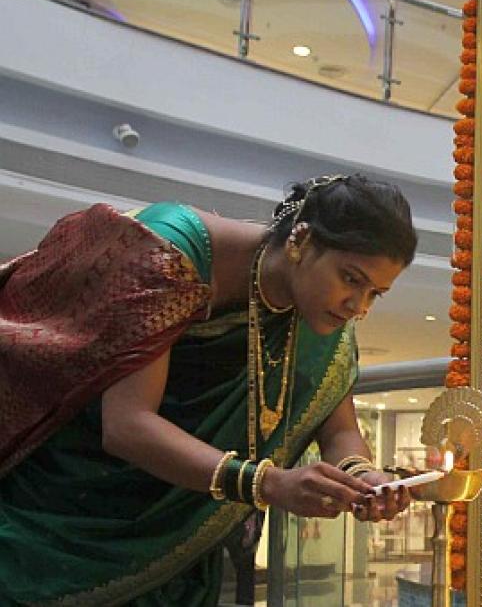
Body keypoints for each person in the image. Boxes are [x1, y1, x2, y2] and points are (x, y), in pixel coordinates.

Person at [0, 173, 418, 605]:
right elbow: (126, 425)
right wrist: (267, 483)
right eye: (351, 279)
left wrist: (362, 478)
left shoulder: (319, 313)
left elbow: (340, 430)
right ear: (302, 240)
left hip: (180, 535)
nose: (359, 306)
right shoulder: (169, 252)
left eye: (376, 294)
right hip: (66, 507)